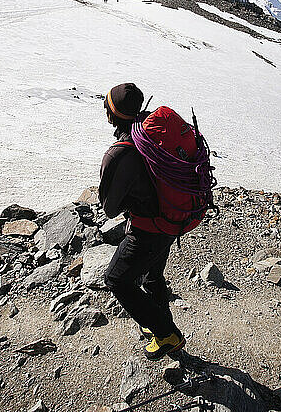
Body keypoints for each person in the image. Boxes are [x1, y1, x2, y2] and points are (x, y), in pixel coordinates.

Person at [100, 82, 185, 360]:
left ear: (113, 113)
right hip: (171, 220)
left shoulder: (120, 153)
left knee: (116, 280)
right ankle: (158, 327)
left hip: (148, 228)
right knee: (152, 276)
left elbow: (109, 209)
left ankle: (166, 333)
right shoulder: (151, 130)